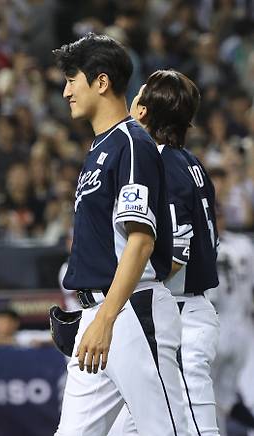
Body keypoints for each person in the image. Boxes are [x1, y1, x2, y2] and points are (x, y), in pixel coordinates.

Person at [52, 33, 189, 436]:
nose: (65, 91)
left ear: (101, 81)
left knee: (166, 431)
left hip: (130, 311)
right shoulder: (102, 147)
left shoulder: (132, 142)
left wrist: (107, 318)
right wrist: (96, 318)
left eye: (72, 79)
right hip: (99, 316)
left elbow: (141, 240)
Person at [109, 70, 221, 435]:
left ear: (143, 111)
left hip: (179, 316)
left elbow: (176, 252)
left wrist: (116, 300)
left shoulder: (159, 163)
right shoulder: (189, 160)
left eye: (139, 94)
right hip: (179, 312)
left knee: (194, 428)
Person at [207, 168, 254, 434]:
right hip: (243, 330)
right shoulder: (244, 245)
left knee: (211, 399)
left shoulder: (204, 249)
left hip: (218, 330)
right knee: (224, 398)